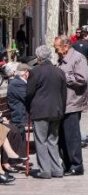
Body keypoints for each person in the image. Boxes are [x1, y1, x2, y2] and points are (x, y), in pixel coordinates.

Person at [27, 45, 67, 179]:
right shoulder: (59, 72)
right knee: (53, 140)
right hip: (56, 111)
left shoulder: (35, 72)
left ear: (38, 57)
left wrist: (28, 108)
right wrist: (61, 110)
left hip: (40, 111)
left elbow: (29, 93)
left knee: (41, 140)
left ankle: (45, 170)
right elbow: (64, 94)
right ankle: (57, 169)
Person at [54, 35, 88, 176]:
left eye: (57, 47)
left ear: (66, 46)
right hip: (62, 103)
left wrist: (62, 76)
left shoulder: (78, 58)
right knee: (62, 136)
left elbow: (82, 79)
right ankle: (67, 164)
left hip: (73, 102)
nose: (55, 50)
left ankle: (76, 165)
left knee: (72, 136)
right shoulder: (62, 59)